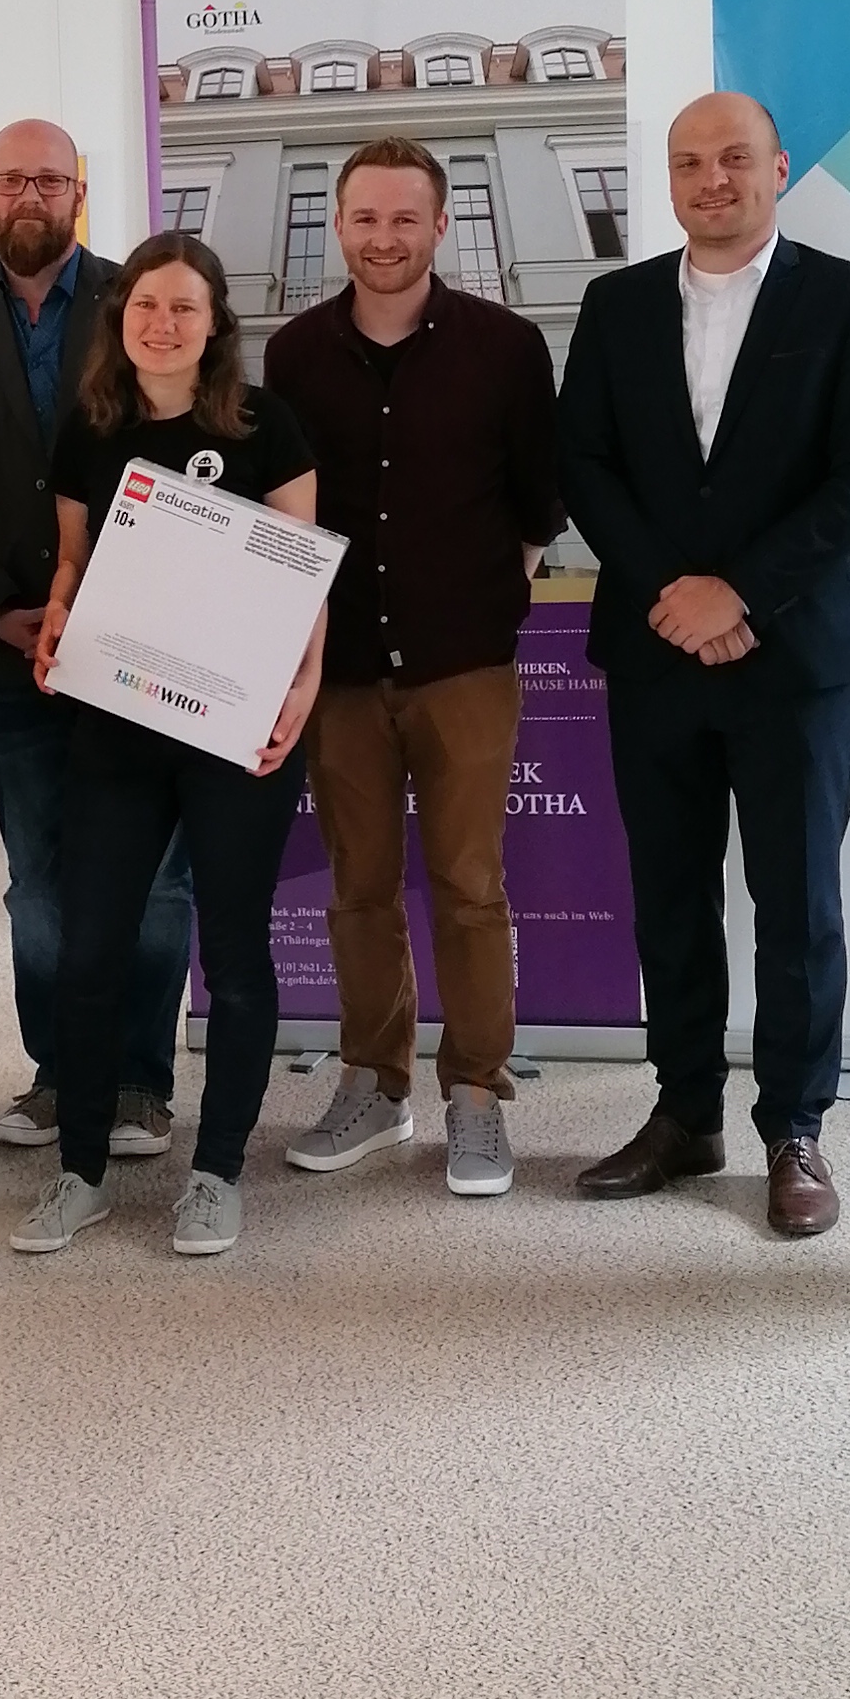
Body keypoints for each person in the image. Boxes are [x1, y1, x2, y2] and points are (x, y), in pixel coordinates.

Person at [556, 93, 850, 1238]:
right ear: (668, 179)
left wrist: (740, 591)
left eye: (733, 158)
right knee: (670, 893)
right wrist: (677, 593)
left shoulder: (846, 297)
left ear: (777, 168)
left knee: (795, 904)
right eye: (688, 162)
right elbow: (584, 462)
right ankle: (684, 1111)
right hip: (655, 648)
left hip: (794, 654)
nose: (711, 179)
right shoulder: (614, 304)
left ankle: (793, 1128)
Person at [10, 234, 324, 1258]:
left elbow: (301, 575)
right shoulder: (92, 428)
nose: (163, 323)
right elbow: (73, 561)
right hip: (117, 722)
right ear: (122, 315)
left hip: (235, 729)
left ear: (216, 321)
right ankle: (81, 1173)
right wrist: (57, 618)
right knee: (90, 947)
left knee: (232, 952)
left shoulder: (265, 424)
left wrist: (306, 683)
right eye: (147, 304)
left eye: (185, 307)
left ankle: (217, 1173)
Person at [262, 136, 563, 1199]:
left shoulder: (506, 346)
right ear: (339, 226)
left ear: (440, 224)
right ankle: (373, 1083)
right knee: (358, 888)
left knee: (471, 886)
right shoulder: (293, 354)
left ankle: (475, 1093)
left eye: (404, 218)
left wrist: (482, 598)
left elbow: (538, 503)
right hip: (340, 666)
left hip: (463, 664)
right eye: (364, 218)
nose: (383, 238)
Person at [0, 118, 194, 1159]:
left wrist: (103, 608)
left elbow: (180, 460)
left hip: (134, 645)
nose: (29, 196)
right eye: (10, 181)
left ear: (78, 192)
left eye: (48, 179)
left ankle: (140, 1078)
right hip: (7, 650)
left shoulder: (138, 304)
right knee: (38, 880)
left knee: (153, 877)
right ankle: (59, 1070)